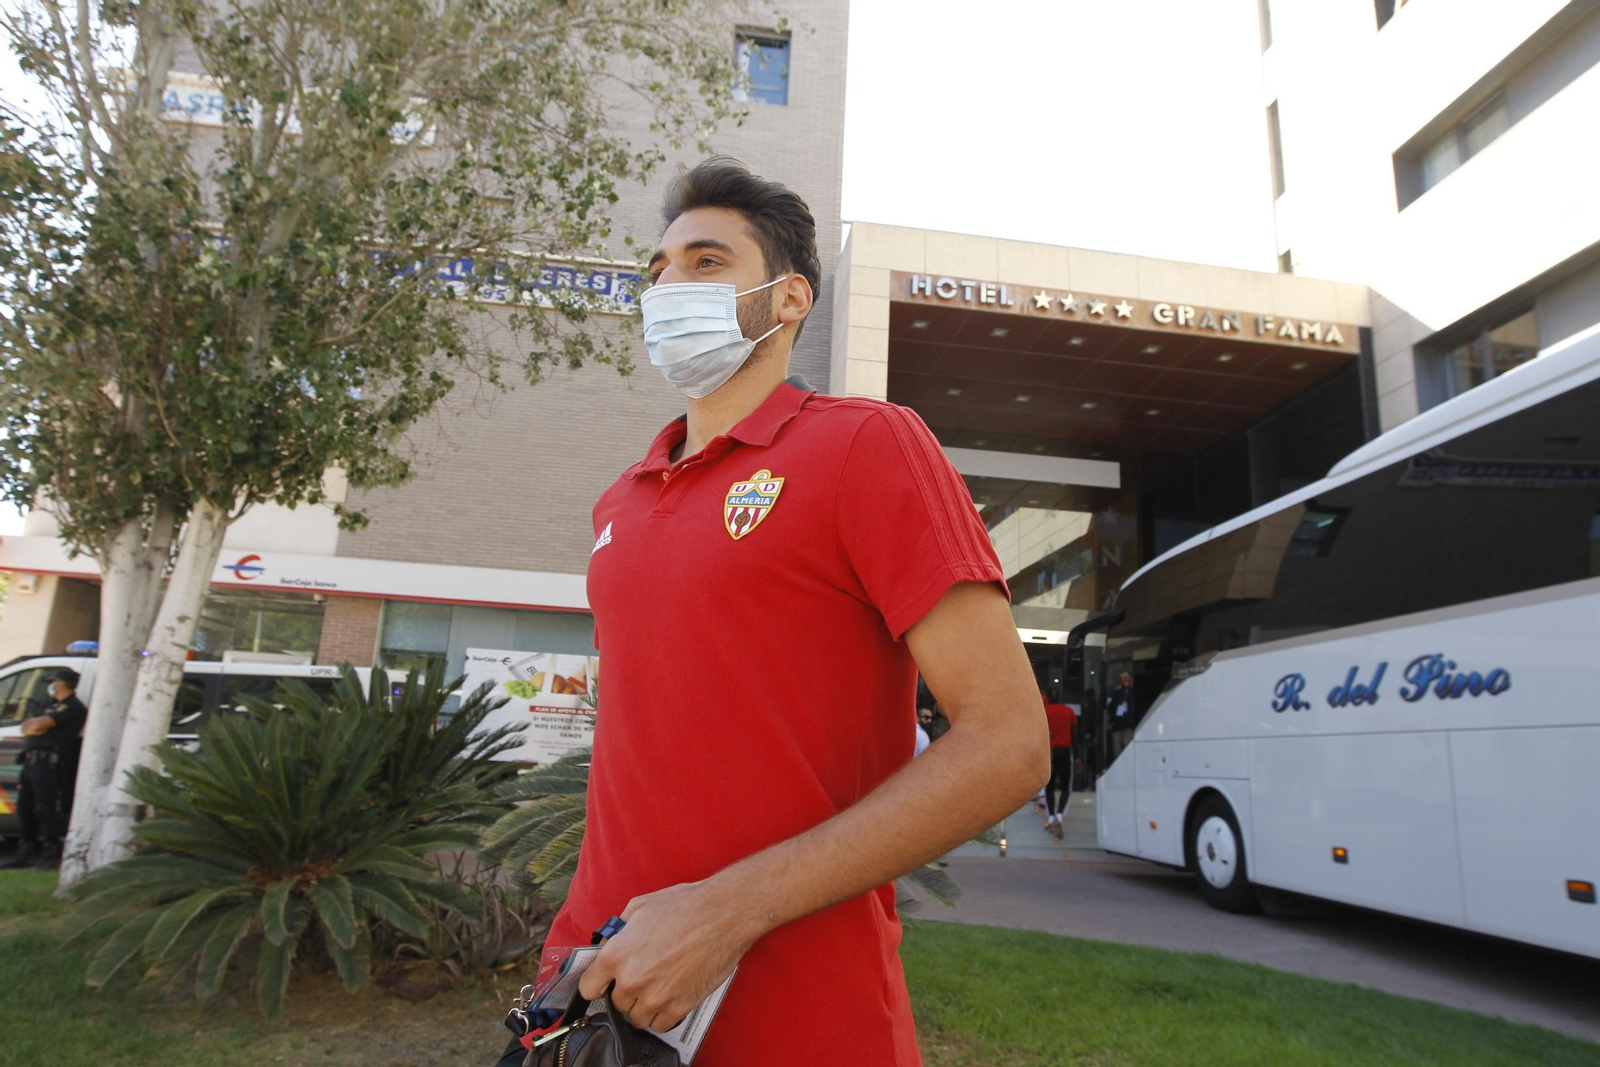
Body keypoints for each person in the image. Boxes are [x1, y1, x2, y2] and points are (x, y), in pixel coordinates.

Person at [530, 158, 1049, 1067]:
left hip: (806, 1017)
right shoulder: (621, 500)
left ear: (788, 299)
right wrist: (568, 950)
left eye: (704, 262)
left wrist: (726, 910)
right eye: (657, 272)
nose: (667, 288)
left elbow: (1008, 743)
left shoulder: (864, 445)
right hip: (599, 988)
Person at [1, 668, 87, 870]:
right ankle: (26, 852)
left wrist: (37, 726)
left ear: (61, 683)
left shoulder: (73, 707)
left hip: (49, 762)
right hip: (31, 761)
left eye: (53, 681)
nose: (51, 685)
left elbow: (41, 724)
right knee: (24, 806)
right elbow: (28, 726)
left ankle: (50, 852)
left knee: (44, 807)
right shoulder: (49, 705)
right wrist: (36, 726)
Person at [1041, 691, 1077, 830]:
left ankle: (1050, 816)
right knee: (1065, 787)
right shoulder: (1069, 711)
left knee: (1049, 786)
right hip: (1065, 750)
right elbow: (1075, 734)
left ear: (1049, 699)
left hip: (1050, 752)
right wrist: (1078, 755)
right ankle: (1060, 814)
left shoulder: (1045, 711)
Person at [1107, 671, 1136, 762]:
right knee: (1117, 749)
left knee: (1127, 747)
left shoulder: (1133, 693)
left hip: (1128, 725)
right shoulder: (1116, 693)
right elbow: (1111, 708)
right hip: (1118, 725)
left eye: (1126, 677)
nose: (1125, 680)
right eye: (1123, 678)